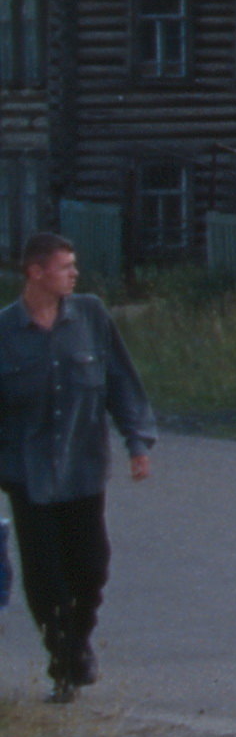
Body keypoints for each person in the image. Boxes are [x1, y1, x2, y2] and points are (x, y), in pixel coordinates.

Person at [2, 233, 157, 703]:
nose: (74, 273)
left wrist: (137, 441)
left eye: (74, 266)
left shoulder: (89, 316)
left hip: (83, 467)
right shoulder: (4, 332)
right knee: (46, 576)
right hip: (28, 474)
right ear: (36, 272)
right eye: (65, 266)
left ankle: (78, 640)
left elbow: (120, 381)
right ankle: (64, 661)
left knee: (91, 568)